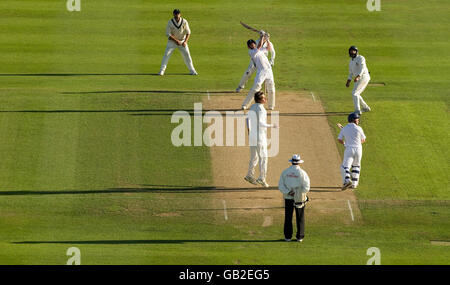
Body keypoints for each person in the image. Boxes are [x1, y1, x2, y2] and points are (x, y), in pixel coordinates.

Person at [244, 91, 278, 188]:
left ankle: (249, 175)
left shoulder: (253, 106)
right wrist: (272, 125)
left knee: (254, 157)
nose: (266, 99)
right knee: (263, 158)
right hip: (260, 136)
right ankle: (262, 178)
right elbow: (261, 124)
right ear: (261, 100)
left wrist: (249, 130)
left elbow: (247, 119)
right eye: (264, 98)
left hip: (252, 136)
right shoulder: (261, 110)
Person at [278, 154, 310, 242]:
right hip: (299, 198)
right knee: (300, 216)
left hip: (288, 197)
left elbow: (281, 185)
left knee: (288, 217)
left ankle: (287, 237)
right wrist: (298, 193)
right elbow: (307, 187)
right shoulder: (303, 173)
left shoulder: (285, 172)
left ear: (291, 162)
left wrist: (289, 192)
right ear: (299, 163)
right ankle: (300, 236)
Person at [241, 32, 276, 110]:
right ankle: (245, 104)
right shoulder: (252, 52)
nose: (252, 44)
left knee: (271, 88)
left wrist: (267, 39)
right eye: (250, 44)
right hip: (261, 71)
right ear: (248, 46)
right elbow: (259, 46)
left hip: (269, 70)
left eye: (253, 43)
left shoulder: (260, 50)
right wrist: (262, 37)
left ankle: (271, 105)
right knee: (256, 87)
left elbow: (268, 48)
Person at [158, 9, 198, 76]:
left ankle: (192, 71)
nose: (177, 15)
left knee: (187, 55)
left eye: (178, 14)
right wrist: (176, 41)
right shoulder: (170, 22)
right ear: (173, 14)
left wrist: (185, 42)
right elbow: (168, 35)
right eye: (175, 14)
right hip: (172, 42)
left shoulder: (184, 21)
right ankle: (162, 71)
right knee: (166, 55)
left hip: (182, 42)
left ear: (180, 14)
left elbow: (188, 33)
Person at [338, 112, 366, 190]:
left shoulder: (345, 128)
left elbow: (339, 139)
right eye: (357, 119)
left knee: (344, 167)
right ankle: (354, 184)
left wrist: (345, 143)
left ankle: (347, 180)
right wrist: (356, 143)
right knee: (356, 166)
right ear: (353, 120)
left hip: (349, 149)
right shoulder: (359, 128)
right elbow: (363, 139)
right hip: (359, 150)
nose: (358, 121)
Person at [346, 46, 371, 115]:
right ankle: (366, 107)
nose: (352, 52)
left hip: (364, 76)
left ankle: (357, 111)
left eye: (354, 51)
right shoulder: (351, 61)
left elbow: (362, 68)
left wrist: (358, 76)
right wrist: (348, 81)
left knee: (354, 93)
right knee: (356, 93)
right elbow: (350, 73)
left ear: (356, 52)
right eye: (351, 51)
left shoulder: (361, 58)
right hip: (358, 79)